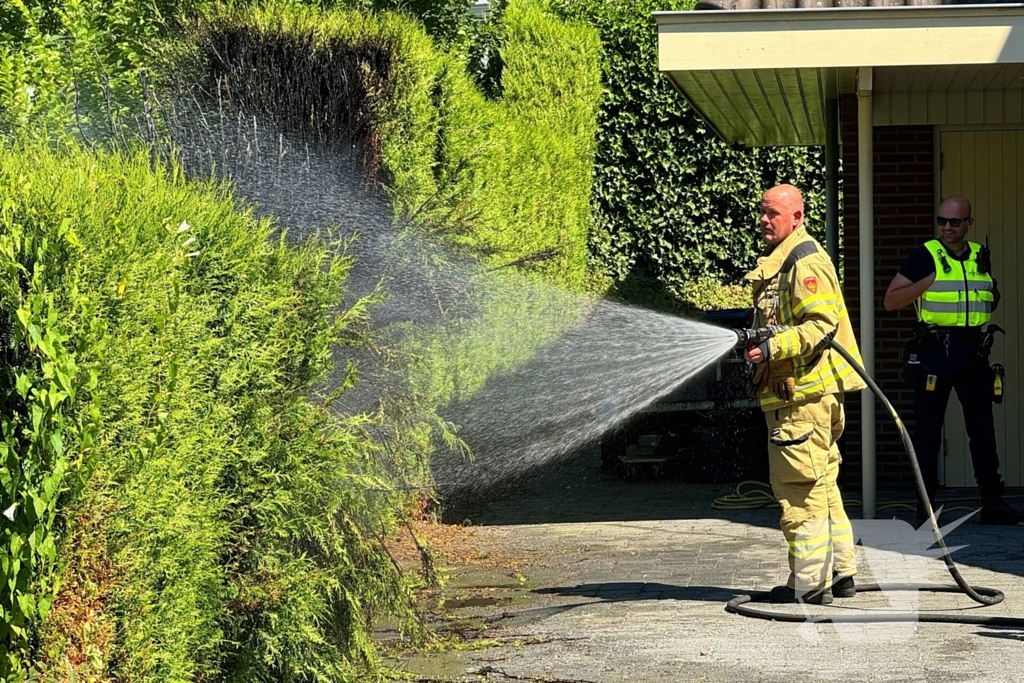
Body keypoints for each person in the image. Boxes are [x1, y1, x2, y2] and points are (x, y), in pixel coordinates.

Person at [744, 184, 866, 605]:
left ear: (796, 217)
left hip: (802, 404)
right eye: (761, 211)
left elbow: (820, 325)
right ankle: (842, 572)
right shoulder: (788, 259)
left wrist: (771, 348)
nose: (763, 219)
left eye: (772, 213)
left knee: (800, 492)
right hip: (809, 400)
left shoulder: (805, 260)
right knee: (823, 485)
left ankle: (810, 585)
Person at [883, 195, 1024, 527]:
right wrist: (926, 283)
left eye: (954, 222)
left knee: (983, 431)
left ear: (968, 224)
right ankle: (925, 510)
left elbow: (991, 295)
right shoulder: (925, 256)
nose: (947, 227)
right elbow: (891, 301)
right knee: (928, 434)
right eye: (942, 221)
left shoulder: (979, 255)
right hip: (935, 351)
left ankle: (993, 504)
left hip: (973, 351)